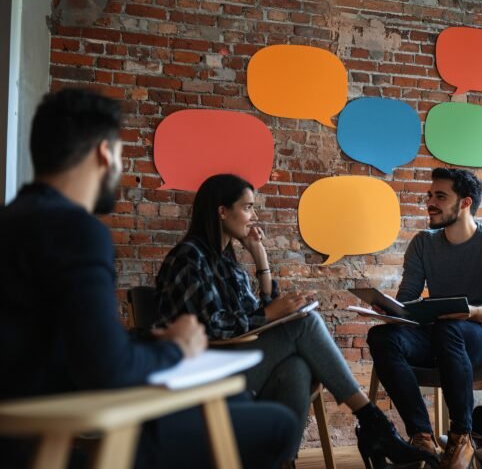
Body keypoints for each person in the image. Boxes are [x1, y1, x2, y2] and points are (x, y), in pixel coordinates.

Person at [0, 88, 298, 469]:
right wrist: (177, 348)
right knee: (279, 425)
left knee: (237, 401)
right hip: (48, 433)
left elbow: (68, 343)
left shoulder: (13, 222)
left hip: (27, 424)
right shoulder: (77, 232)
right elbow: (108, 367)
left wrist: (150, 340)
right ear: (104, 153)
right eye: (121, 154)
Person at [155, 173, 436, 469]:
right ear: (222, 211)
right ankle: (375, 425)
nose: (254, 216)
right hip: (205, 372)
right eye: (248, 207)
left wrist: (260, 257)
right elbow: (208, 328)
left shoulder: (225, 260)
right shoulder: (189, 258)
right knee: (305, 324)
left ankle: (283, 462)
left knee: (297, 368)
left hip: (236, 360)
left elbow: (255, 314)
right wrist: (271, 314)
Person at [366, 167, 482, 469]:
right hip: (436, 335)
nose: (430, 203)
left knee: (450, 328)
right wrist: (392, 310)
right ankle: (422, 437)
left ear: (465, 202)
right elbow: (408, 298)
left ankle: (462, 436)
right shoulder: (423, 243)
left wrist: (471, 311)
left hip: (479, 337)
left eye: (440, 197)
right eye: (430, 196)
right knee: (381, 336)